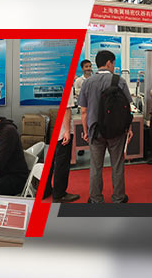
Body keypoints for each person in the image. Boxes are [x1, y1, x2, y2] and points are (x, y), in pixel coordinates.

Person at [79, 50, 131, 203]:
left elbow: (83, 111)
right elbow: (127, 107)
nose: (114, 66)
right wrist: (129, 128)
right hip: (117, 130)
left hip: (95, 131)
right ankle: (118, 197)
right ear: (109, 63)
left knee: (96, 166)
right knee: (117, 165)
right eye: (113, 63)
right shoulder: (120, 81)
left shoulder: (87, 82)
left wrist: (86, 131)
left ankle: (95, 199)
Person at [37, 114, 81, 203]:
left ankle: (45, 190)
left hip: (58, 133)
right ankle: (59, 194)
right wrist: (67, 131)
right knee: (62, 164)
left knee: (51, 162)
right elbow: (66, 111)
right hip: (62, 133)